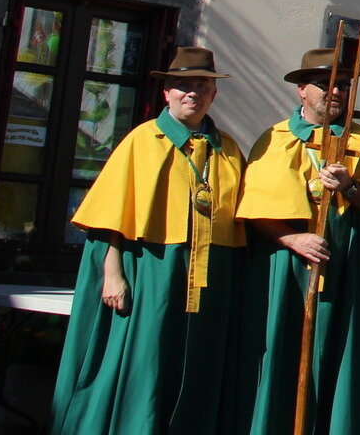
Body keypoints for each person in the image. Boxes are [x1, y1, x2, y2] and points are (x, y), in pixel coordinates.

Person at [52, 48, 246, 435]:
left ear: (213, 94)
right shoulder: (143, 140)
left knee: (197, 364)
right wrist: (113, 274)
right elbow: (111, 217)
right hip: (152, 268)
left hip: (213, 274)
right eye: (183, 86)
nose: (192, 93)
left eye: (201, 86)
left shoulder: (228, 148)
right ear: (167, 94)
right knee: (147, 361)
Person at [237, 47, 360, 435]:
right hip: (287, 266)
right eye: (325, 84)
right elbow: (253, 209)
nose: (336, 92)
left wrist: (351, 186)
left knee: (338, 357)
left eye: (344, 85)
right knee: (282, 353)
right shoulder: (275, 139)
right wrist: (292, 238)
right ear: (301, 91)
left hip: (347, 266)